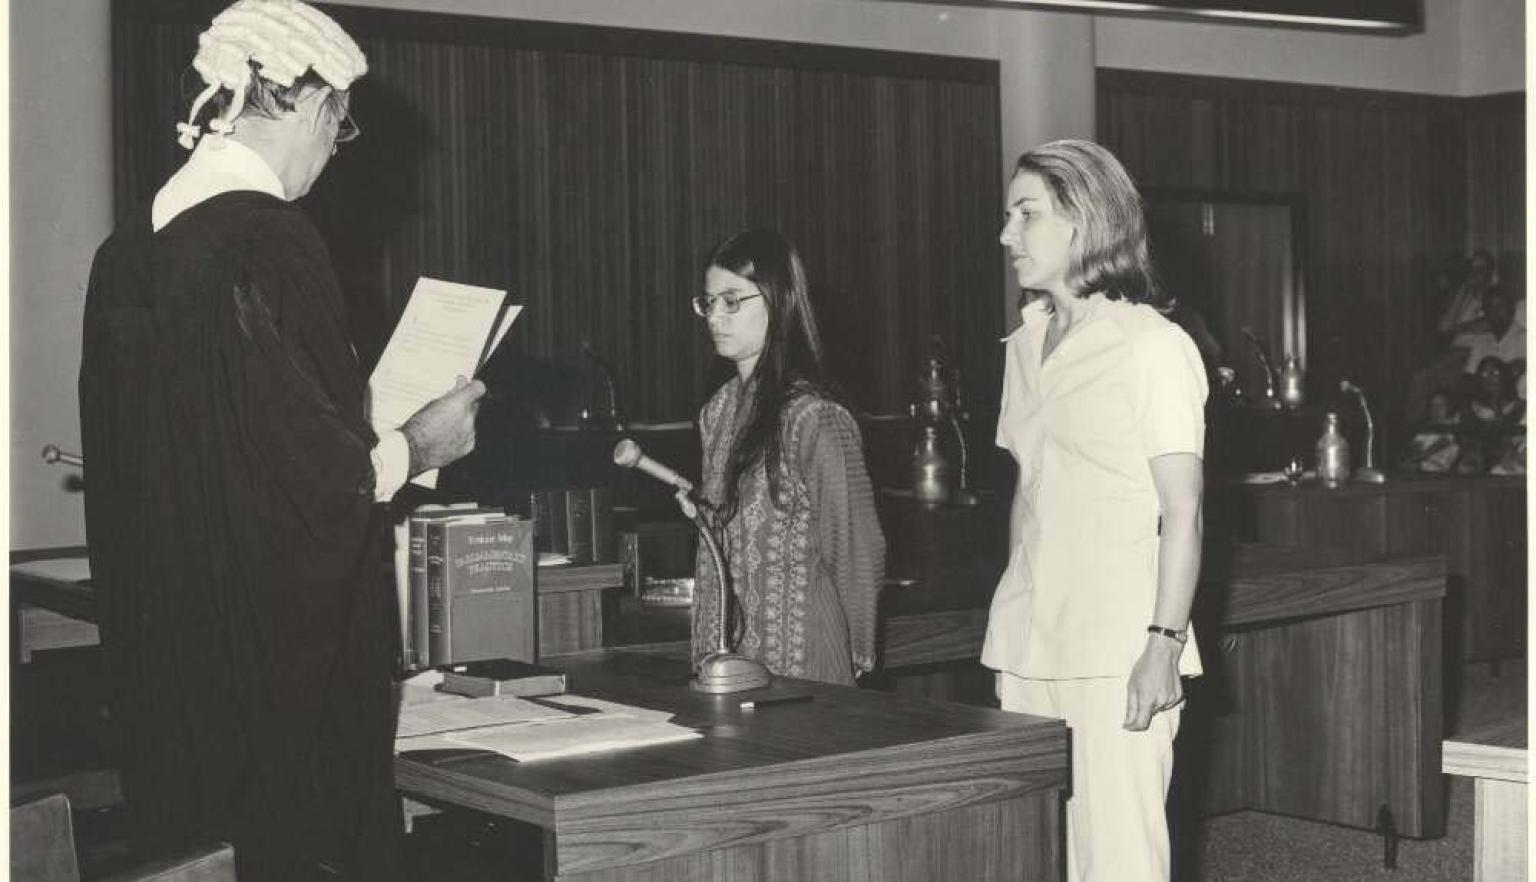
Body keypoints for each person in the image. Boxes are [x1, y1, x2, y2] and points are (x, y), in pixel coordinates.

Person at [79, 2, 485, 878]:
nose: (333, 156)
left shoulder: (127, 254)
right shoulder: (271, 242)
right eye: (340, 130)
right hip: (274, 690)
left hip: (170, 681)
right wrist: (421, 443)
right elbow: (318, 488)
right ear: (309, 104)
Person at [984, 139, 1207, 882]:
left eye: (1026, 214)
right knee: (1039, 852)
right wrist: (1011, 632)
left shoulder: (1152, 346)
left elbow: (1184, 511)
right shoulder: (1023, 346)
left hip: (1119, 646)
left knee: (1117, 858)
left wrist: (1161, 645)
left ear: (1084, 220)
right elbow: (1028, 492)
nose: (1007, 234)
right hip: (1028, 640)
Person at [680, 229, 885, 685]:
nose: (716, 316)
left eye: (732, 301)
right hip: (732, 658)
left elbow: (856, 547)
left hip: (806, 656)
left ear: (778, 300)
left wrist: (861, 652)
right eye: (708, 302)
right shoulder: (716, 411)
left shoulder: (815, 417)